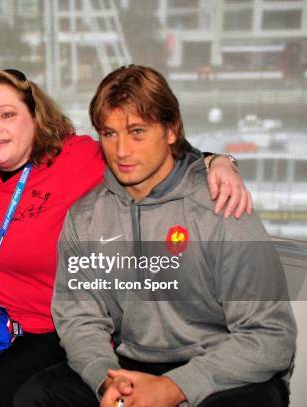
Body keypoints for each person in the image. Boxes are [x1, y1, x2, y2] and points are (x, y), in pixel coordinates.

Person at [0, 69, 252, 407]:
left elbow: (152, 153)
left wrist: (218, 162)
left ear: (36, 117)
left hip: (48, 329)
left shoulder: (75, 157)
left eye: (7, 115)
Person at [15, 65, 297, 407]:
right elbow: (79, 319)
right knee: (37, 396)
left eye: (137, 132)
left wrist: (174, 387)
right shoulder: (85, 216)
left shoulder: (221, 206)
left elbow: (271, 336)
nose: (121, 151)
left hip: (219, 365)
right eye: (109, 133)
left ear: (171, 130)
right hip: (129, 363)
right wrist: (107, 382)